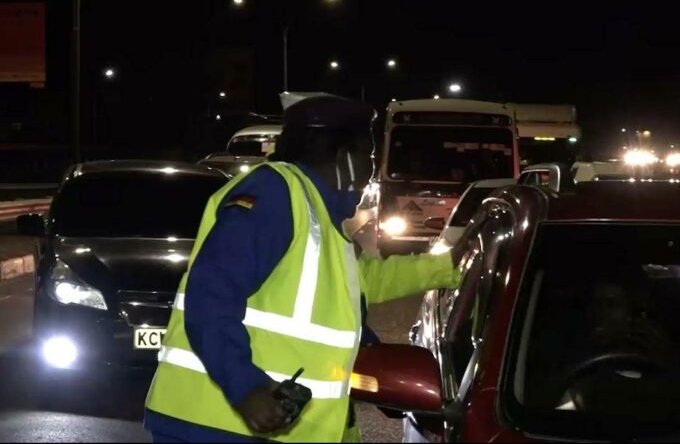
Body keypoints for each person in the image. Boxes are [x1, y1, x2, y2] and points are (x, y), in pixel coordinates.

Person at [144, 95, 484, 443]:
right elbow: (211, 291)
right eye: (367, 156)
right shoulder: (276, 193)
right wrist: (246, 387)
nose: (370, 172)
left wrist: (448, 266)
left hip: (275, 428)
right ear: (343, 157)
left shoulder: (320, 217)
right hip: (220, 423)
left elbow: (367, 279)